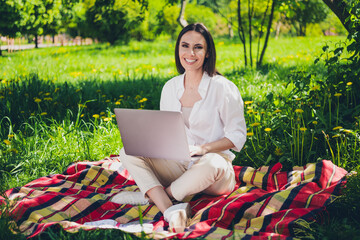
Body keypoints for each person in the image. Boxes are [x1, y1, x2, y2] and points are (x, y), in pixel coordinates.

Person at [113, 23, 247, 233]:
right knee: (127, 150)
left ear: (208, 52)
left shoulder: (223, 87)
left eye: (198, 47)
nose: (190, 53)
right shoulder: (170, 87)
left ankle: (152, 195)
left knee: (211, 161)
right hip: (179, 165)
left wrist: (203, 149)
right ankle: (170, 208)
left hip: (215, 172)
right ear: (178, 49)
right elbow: (167, 131)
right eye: (185, 46)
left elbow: (237, 136)